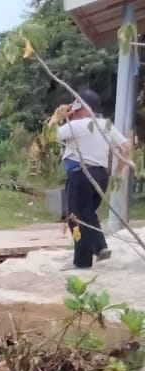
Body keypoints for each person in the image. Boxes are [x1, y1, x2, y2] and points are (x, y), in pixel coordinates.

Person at [52, 89, 130, 268]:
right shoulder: (105, 124)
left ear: (85, 107)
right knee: (88, 213)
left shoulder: (79, 126)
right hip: (101, 176)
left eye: (76, 107)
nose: (74, 111)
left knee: (75, 217)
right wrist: (120, 168)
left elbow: (50, 134)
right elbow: (125, 146)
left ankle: (82, 261)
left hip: (81, 175)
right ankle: (100, 247)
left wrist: (57, 115)